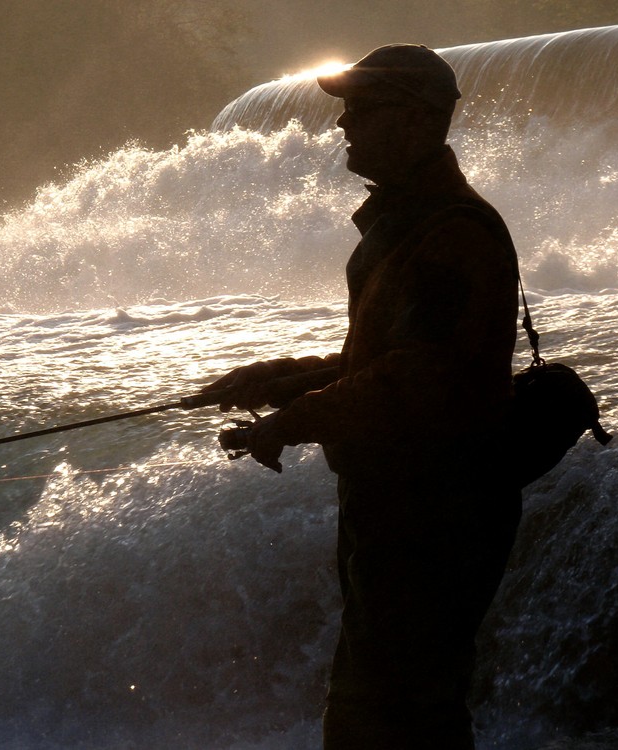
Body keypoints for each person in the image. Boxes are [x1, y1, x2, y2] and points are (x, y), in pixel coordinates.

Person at [202, 45, 522, 749]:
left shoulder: (451, 235)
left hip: (435, 514)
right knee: (388, 710)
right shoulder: (411, 224)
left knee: (392, 717)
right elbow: (381, 360)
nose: (344, 124)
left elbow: (419, 376)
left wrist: (295, 420)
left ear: (416, 121)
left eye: (363, 109)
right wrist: (275, 379)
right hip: (397, 508)